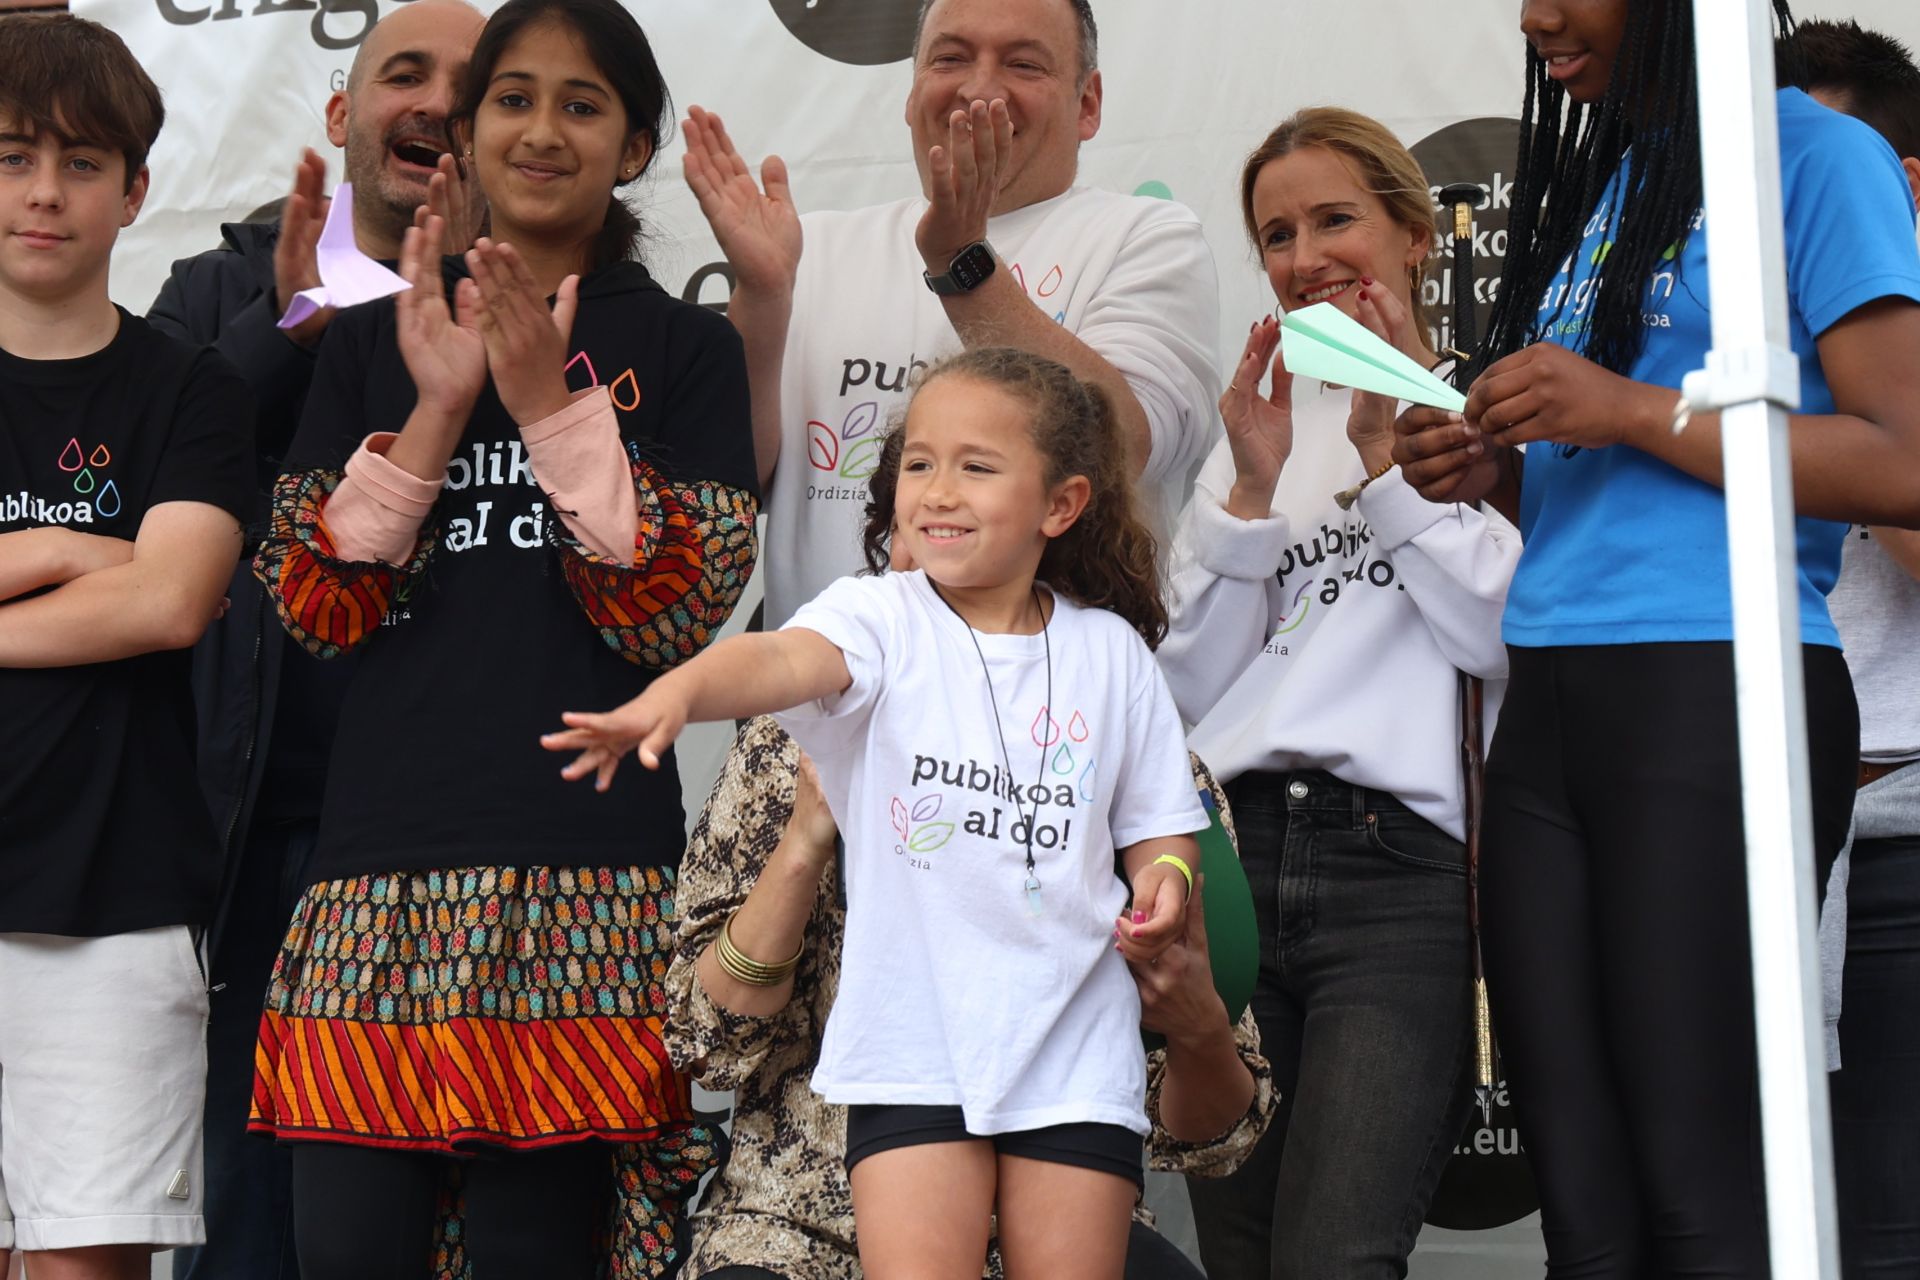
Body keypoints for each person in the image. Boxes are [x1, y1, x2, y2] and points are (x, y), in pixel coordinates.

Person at [1391, 0, 1920, 1273]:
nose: (1537, 17)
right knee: (1586, 1201)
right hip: (1554, 696)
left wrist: (1626, 406)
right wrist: (1491, 467)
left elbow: (1904, 458)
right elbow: (1608, 476)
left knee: (1698, 1177)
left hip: (1719, 684)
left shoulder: (1812, 153)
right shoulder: (1605, 180)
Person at [243, 0, 758, 1274]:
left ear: (634, 146)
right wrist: (435, 411)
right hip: (374, 885)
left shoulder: (686, 346)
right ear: (463, 137)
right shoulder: (376, 337)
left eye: (582, 105)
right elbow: (315, 600)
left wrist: (547, 405)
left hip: (585, 880)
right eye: (511, 99)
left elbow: (678, 609)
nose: (542, 130)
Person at [545, 348, 1208, 1279]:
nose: (937, 490)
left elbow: (1159, 824)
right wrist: (679, 693)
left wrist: (1168, 883)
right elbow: (779, 662)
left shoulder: (1113, 656)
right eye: (919, 464)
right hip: (913, 1047)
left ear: (1061, 506)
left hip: (1076, 1058)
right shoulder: (880, 618)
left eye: (977, 467)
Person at [145, 8, 486, 1278]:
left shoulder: (534, 298)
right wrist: (296, 321)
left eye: (473, 85)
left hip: (464, 839)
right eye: (405, 75)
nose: (438, 105)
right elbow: (149, 497)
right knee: (247, 1205)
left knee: (455, 1208)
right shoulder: (221, 285)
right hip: (260, 830)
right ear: (341, 116)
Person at [1157, 107, 1518, 1280]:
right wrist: (1253, 494)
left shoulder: (1498, 409)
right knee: (1244, 1257)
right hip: (1237, 866)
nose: (1304, 255)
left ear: (1414, 234)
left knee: (1337, 1257)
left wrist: (1384, 458)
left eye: (1334, 219)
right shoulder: (1251, 432)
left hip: (1399, 878)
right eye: (1276, 233)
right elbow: (1187, 692)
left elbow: (1498, 639)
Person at [664, 718, 1273, 1280]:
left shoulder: (1145, 768)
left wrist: (1198, 1030)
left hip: (1055, 1228)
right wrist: (805, 838)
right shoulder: (798, 739)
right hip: (798, 1228)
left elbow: (1216, 1137)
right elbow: (709, 1045)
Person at [681, 0, 1221, 627]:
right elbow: (734, 483)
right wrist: (765, 297)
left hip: (1046, 710)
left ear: (1087, 104)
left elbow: (1122, 447)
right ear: (913, 94)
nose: (980, 88)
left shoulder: (1149, 238)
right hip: (819, 705)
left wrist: (962, 262)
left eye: (1023, 63)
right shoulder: (816, 246)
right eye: (951, 58)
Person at [0, 15, 256, 1280]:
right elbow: (146, 582)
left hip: (113, 905)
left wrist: (117, 574)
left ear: (136, 189)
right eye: (11, 157)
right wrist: (74, 548)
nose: (44, 192)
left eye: (82, 163)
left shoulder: (192, 386)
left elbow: (169, 606)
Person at [1778, 19, 1920, 1275]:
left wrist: (1856, 433)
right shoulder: (1714, 351)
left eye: (1832, 166)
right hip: (1747, 840)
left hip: (1900, 860)